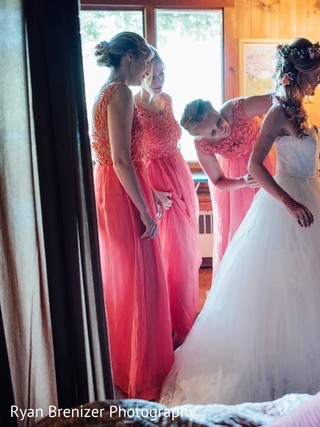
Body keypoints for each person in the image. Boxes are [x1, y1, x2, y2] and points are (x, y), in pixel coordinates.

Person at [159, 37, 320, 406]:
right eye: (317, 75)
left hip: (312, 193)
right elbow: (253, 165)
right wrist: (289, 202)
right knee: (284, 281)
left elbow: (299, 155)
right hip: (287, 203)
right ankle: (283, 362)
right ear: (297, 74)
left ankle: (319, 345)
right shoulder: (278, 111)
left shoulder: (299, 107)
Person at [91, 32, 173, 399]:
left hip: (114, 185)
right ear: (129, 59)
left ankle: (124, 364)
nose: (147, 70)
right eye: (144, 62)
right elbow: (122, 158)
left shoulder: (104, 92)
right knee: (140, 280)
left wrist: (150, 191)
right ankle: (140, 373)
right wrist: (145, 210)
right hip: (122, 193)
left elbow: (121, 157)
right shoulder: (121, 93)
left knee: (124, 278)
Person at [134, 47, 202, 347]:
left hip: (180, 177)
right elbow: (130, 155)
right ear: (141, 72)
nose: (158, 78)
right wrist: (151, 192)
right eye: (152, 73)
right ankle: (166, 328)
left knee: (186, 255)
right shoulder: (132, 106)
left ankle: (183, 323)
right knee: (168, 256)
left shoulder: (168, 101)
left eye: (162, 72)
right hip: (155, 181)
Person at [179, 94, 275, 278]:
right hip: (235, 185)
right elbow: (218, 181)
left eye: (217, 120)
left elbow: (279, 102)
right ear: (202, 136)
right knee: (240, 235)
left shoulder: (239, 108)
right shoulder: (202, 144)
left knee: (268, 228)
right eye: (212, 132)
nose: (220, 128)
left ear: (215, 110)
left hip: (263, 165)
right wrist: (243, 181)